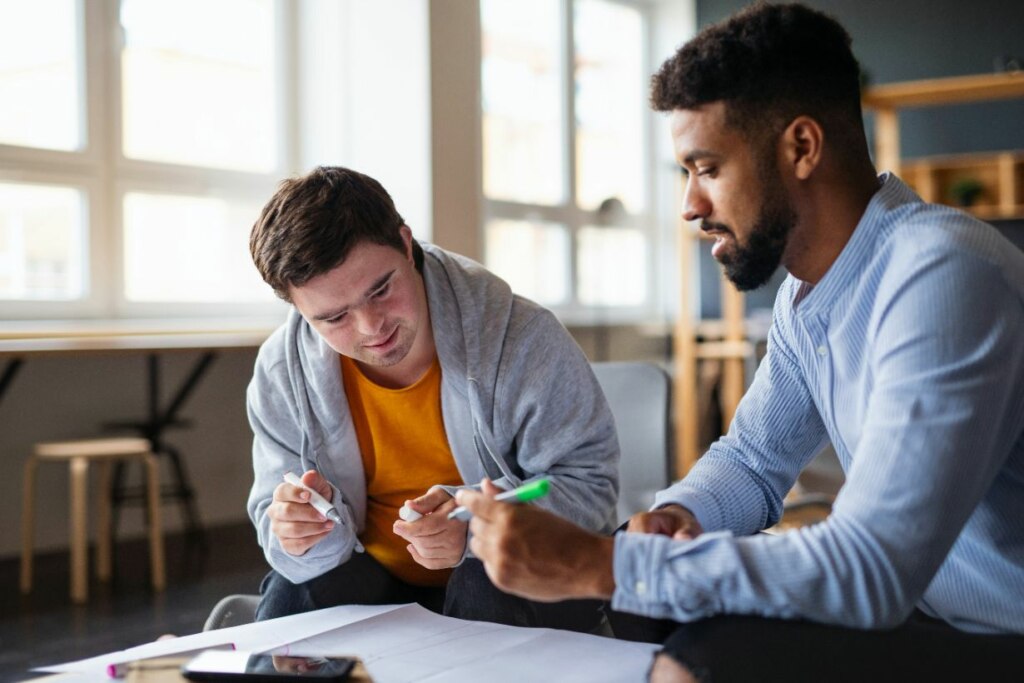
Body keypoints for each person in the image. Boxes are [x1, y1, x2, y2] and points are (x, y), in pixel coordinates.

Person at [456, 3, 1024, 680]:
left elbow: (873, 565)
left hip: (997, 627)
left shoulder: (942, 273)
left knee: (709, 651)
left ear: (802, 147)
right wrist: (675, 513)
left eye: (707, 167)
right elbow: (755, 459)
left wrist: (598, 561)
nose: (691, 204)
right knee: (608, 598)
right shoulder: (806, 296)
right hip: (925, 611)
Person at [245, 165, 618, 631]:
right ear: (298, 310)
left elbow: (591, 487)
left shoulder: (521, 337)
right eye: (334, 318)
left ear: (406, 244)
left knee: (487, 579)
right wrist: (298, 533)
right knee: (292, 596)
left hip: (508, 576)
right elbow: (273, 516)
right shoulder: (283, 370)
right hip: (377, 576)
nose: (371, 327)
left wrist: (477, 528)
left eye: (381, 289)